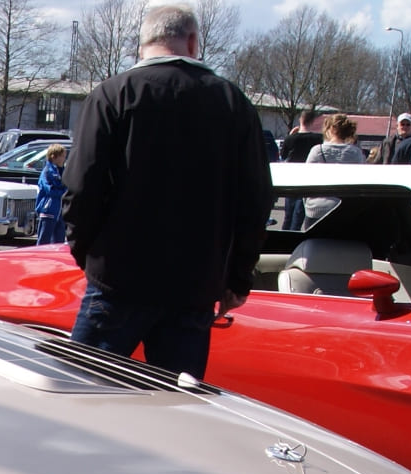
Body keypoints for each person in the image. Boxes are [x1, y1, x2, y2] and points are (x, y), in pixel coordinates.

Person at [62, 4, 271, 381]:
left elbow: (81, 186)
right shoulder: (233, 104)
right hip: (193, 286)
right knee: (175, 411)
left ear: (143, 44)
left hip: (118, 278)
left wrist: (84, 251)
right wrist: (237, 278)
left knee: (77, 394)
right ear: (192, 42)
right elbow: (254, 201)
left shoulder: (113, 94)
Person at [303, 114, 365, 226]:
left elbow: (305, 180)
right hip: (346, 209)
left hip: (317, 208)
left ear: (330, 130)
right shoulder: (357, 153)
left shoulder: (317, 150)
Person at [280, 109, 322, 228]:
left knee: (288, 214)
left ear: (300, 120)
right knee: (299, 214)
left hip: (292, 177)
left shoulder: (291, 139)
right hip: (308, 178)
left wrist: (291, 135)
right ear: (312, 121)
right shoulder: (318, 139)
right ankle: (294, 237)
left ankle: (284, 236)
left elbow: (283, 156)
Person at [34, 145, 68, 244]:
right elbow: (49, 189)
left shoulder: (64, 171)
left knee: (59, 242)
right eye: (62, 156)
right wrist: (63, 192)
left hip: (61, 211)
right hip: (49, 210)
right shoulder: (47, 171)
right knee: (43, 241)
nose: (64, 159)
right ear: (53, 156)